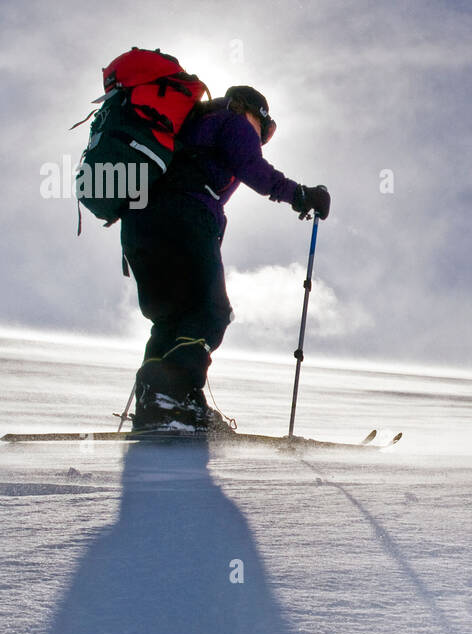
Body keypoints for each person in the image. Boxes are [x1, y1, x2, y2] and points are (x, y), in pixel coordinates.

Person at [119, 85, 331, 432]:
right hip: (186, 219)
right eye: (265, 129)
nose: (261, 138)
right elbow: (252, 167)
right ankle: (174, 398)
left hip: (139, 224)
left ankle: (158, 406)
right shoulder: (233, 122)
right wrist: (301, 195)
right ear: (254, 113)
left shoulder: (186, 128)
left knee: (172, 320)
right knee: (210, 310)